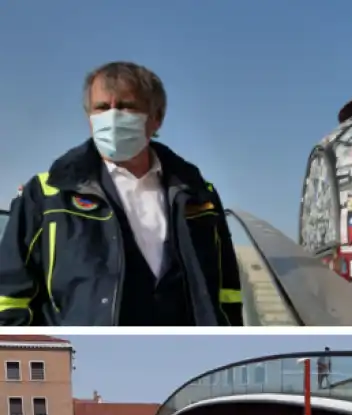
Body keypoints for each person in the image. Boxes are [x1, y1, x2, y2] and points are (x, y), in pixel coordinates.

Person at [0, 61, 243, 326]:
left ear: (157, 117)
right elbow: (10, 294)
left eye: (127, 106)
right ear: (89, 118)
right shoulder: (48, 194)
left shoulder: (198, 195)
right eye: (102, 108)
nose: (112, 117)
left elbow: (227, 292)